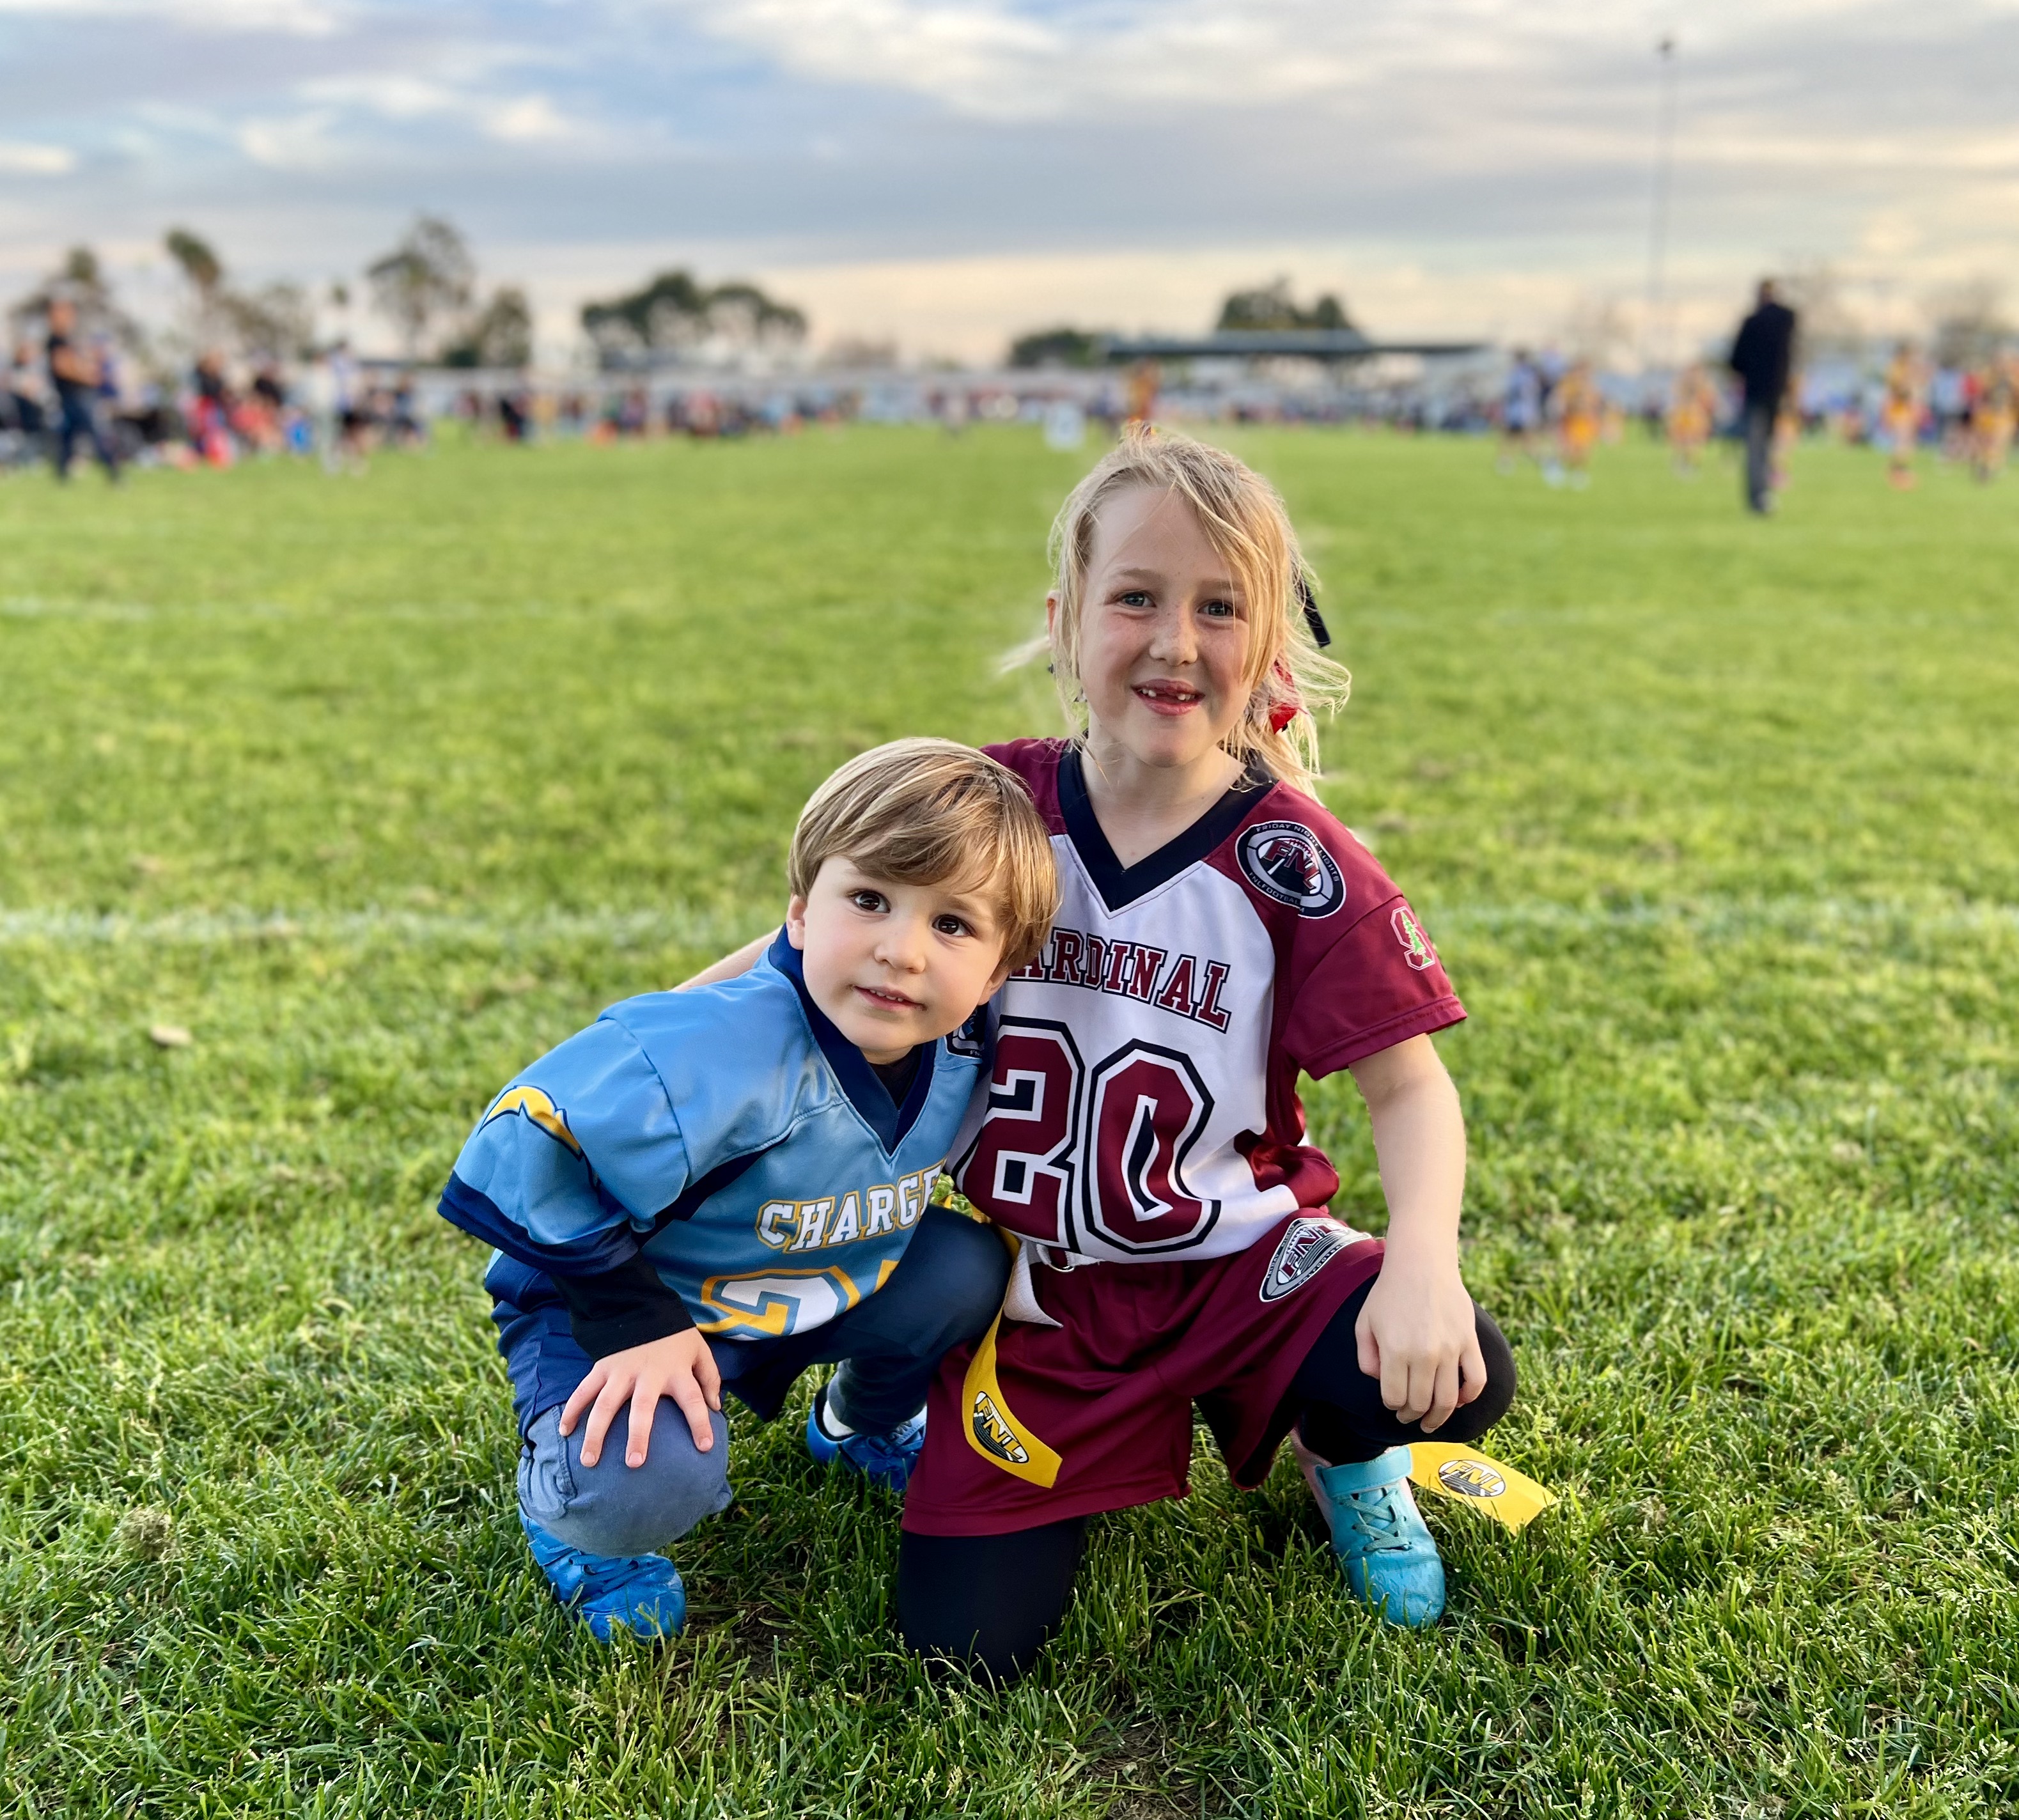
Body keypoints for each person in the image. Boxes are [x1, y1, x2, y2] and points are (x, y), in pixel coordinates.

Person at [691, 431, 1518, 1681]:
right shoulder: (993, 811)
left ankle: (1344, 1454)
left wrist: (1421, 1269)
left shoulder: (1290, 860)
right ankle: (883, 1406)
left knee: (1454, 1367)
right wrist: (632, 1054)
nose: (1175, 640)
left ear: (1268, 647)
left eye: (1218, 606)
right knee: (963, 1651)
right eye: (1136, 596)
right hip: (1043, 1291)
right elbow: (802, 955)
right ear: (1067, 618)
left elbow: (1408, 1084)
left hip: (1242, 1265)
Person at [438, 740, 1058, 1642]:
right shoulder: (719, 1043)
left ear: (999, 971)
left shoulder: (964, 1040)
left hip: (811, 1279)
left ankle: (855, 1424)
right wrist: (630, 1317)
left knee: (964, 1264)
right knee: (638, 1479)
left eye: (952, 925)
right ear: (801, 912)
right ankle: (577, 1520)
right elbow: (528, 1131)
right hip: (629, 1303)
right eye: (870, 899)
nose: (900, 950)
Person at [1727, 279, 1797, 513]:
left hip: (1756, 393)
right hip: (1778, 392)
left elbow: (1736, 361)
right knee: (1770, 444)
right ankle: (1766, 493)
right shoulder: (1787, 320)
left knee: (1756, 448)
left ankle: (1758, 497)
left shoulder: (1752, 323)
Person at [44, 298, 120, 483]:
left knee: (68, 437)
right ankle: (114, 472)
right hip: (74, 397)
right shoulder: (56, 340)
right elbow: (61, 367)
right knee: (94, 433)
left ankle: (62, 476)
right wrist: (89, 377)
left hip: (76, 396)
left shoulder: (68, 339)